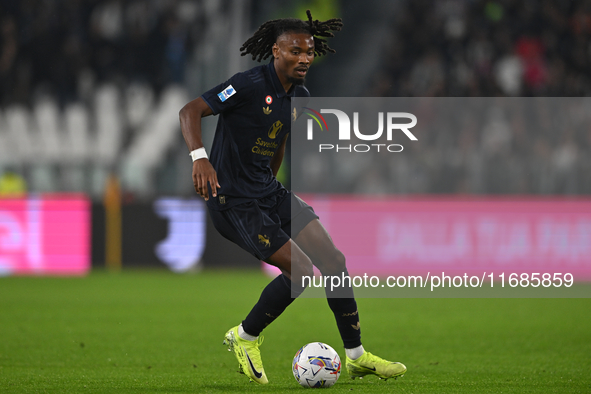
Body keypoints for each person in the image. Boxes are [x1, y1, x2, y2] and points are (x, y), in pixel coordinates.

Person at [179, 10, 406, 384]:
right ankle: (245, 337)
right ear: (276, 52)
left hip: (268, 192)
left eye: (310, 52)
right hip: (233, 199)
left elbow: (279, 137)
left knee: (333, 260)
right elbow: (191, 111)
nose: (304, 59)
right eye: (296, 51)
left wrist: (271, 179)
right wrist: (200, 159)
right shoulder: (248, 84)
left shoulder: (299, 95)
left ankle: (357, 356)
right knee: (300, 272)